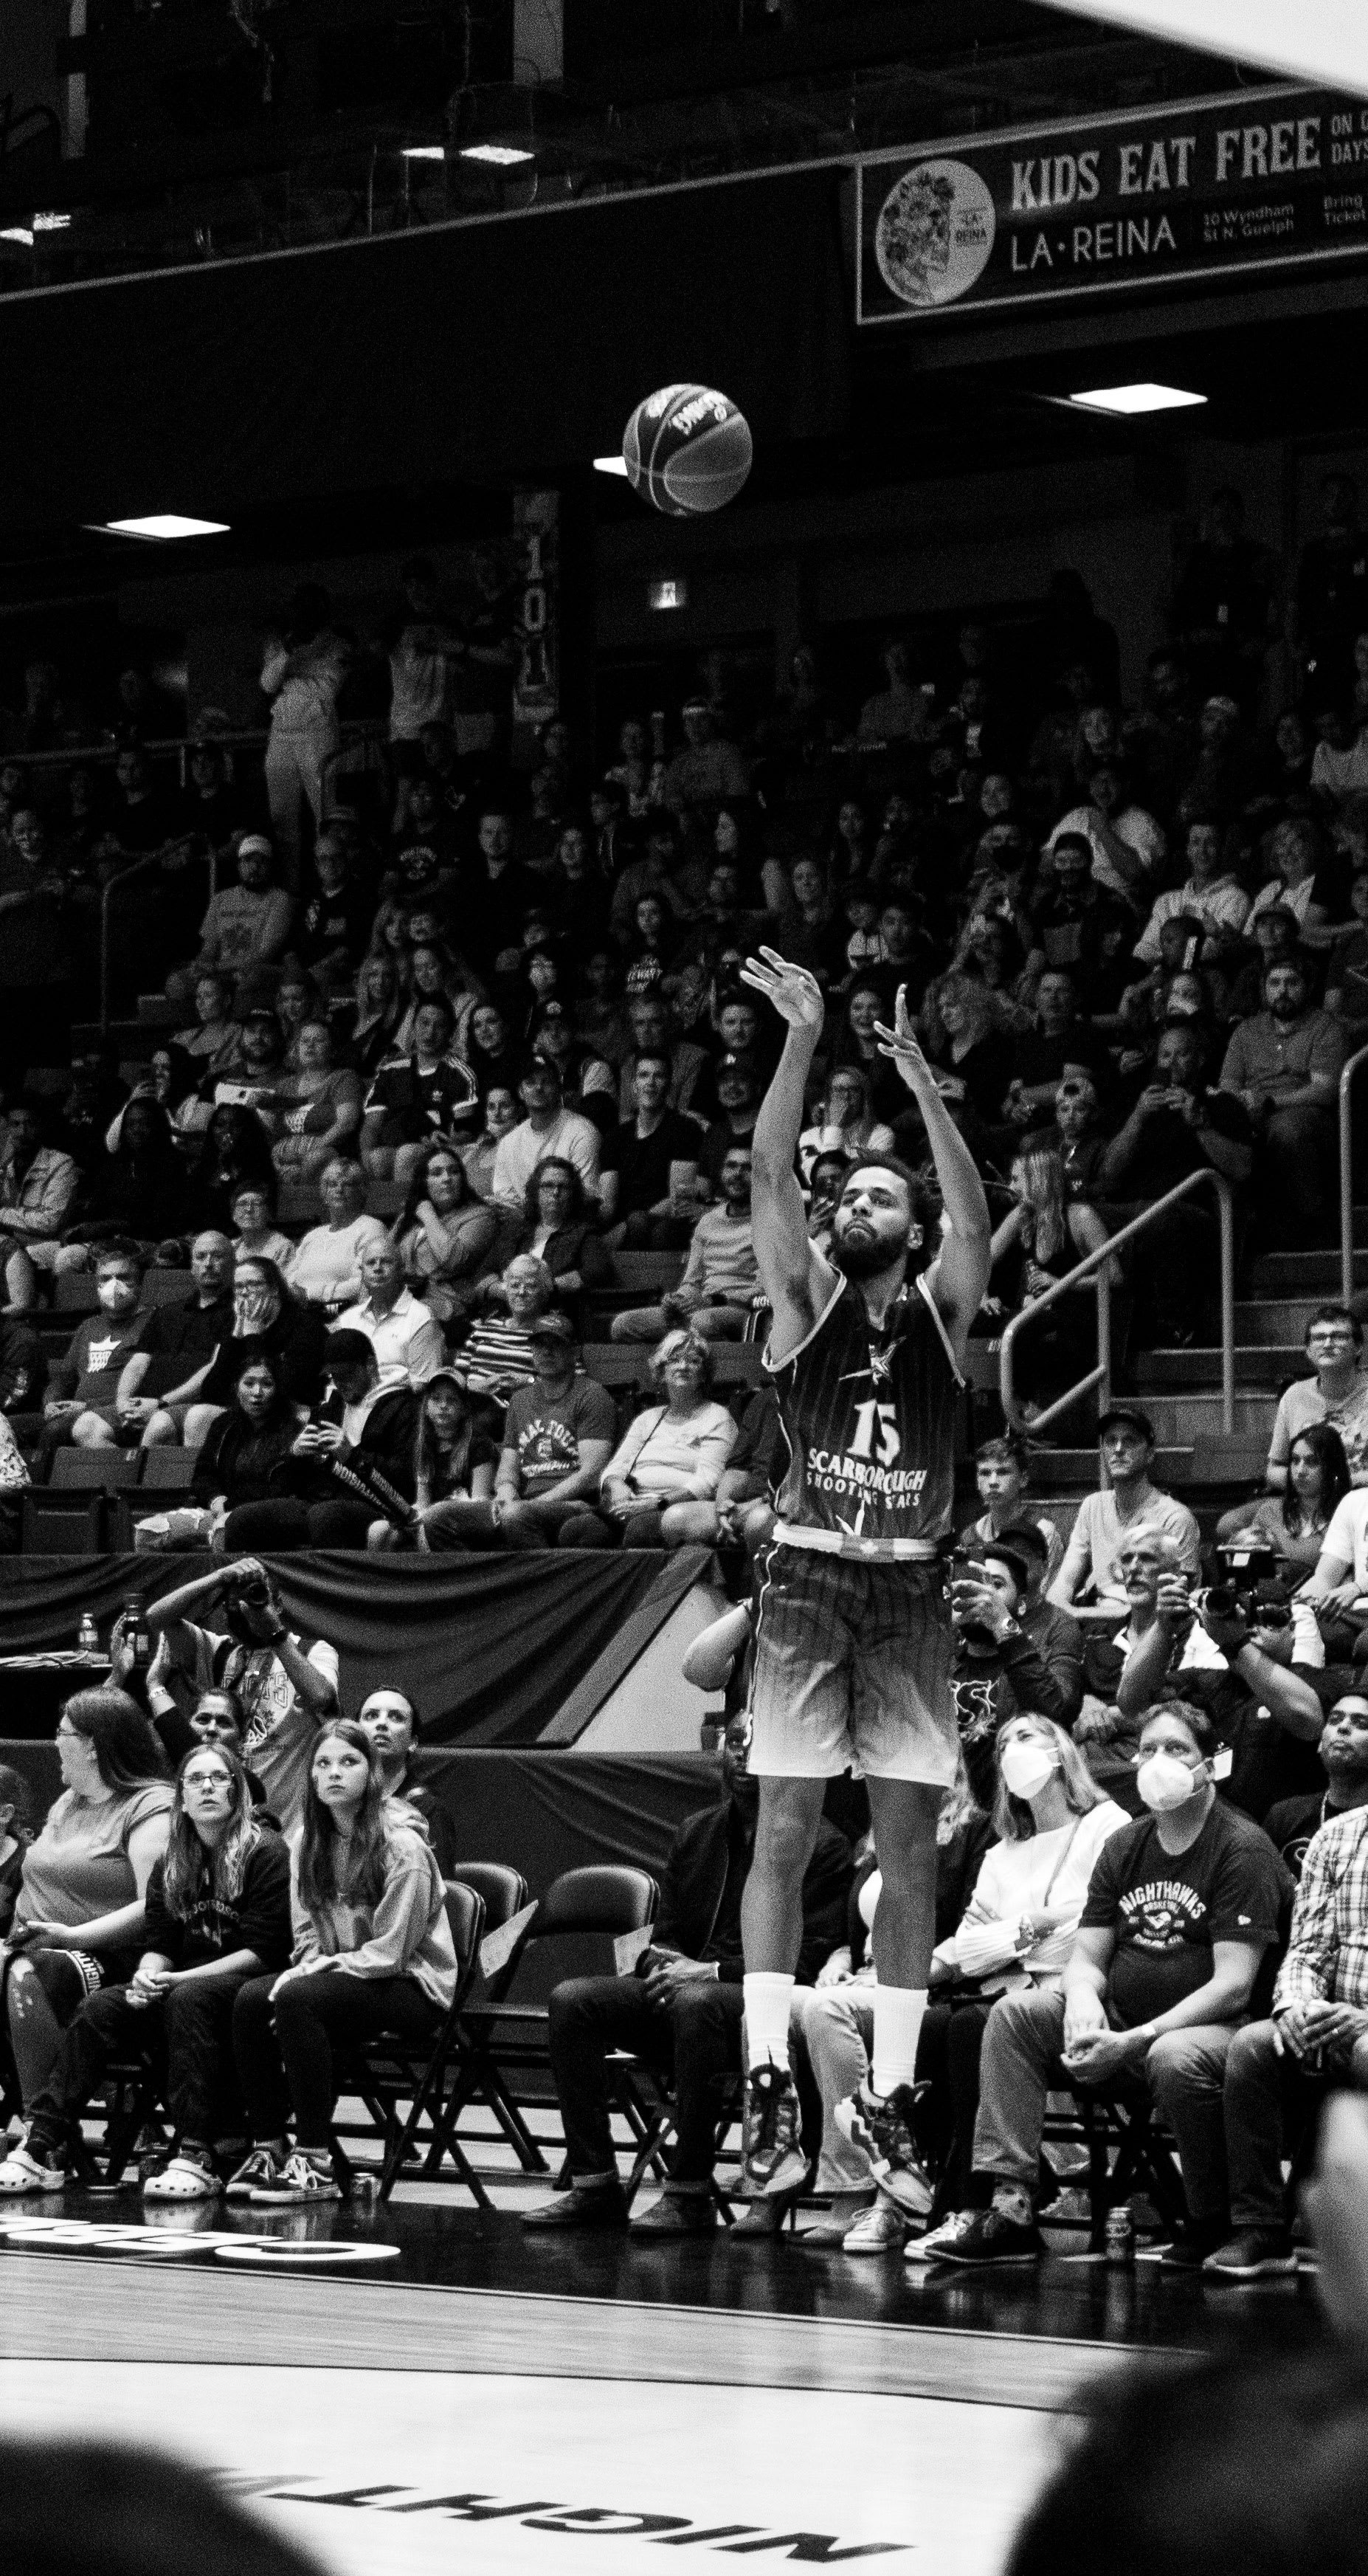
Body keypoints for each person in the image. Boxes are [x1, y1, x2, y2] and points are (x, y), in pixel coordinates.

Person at [728, 945, 991, 2211]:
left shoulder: (943, 1310)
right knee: (782, 1832)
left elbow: (977, 1221)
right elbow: (772, 1170)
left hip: (911, 1594)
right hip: (805, 1582)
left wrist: (924, 1096)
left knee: (907, 1854)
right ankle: (766, 2071)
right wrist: (801, 1038)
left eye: (883, 1195)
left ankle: (885, 2095)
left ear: (912, 1226)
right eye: (853, 1193)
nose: (857, 1204)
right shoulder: (796, 1303)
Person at [927, 1701, 1290, 2269]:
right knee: (1016, 2015)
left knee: (1174, 2055)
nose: (1156, 1762)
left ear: (1211, 1763)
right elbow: (1088, 1956)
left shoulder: (1240, 1847)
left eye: (1176, 1750)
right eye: (1146, 1749)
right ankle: (1013, 2206)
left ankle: (1211, 2218)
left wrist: (1137, 2037)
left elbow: (1234, 1986)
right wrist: (1082, 2000)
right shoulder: (1127, 1845)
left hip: (1212, 2030)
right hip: (1123, 2023)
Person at [523, 1718, 851, 2235]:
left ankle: (690, 2191)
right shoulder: (697, 1831)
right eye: (735, 1744)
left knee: (698, 2002)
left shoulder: (824, 1845)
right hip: (685, 1993)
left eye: (758, 1744)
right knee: (573, 2000)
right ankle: (594, 2184)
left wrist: (713, 1970)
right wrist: (661, 1961)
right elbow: (669, 1930)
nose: (743, 1757)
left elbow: (810, 1957)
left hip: (758, 2001)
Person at [0, 1743, 292, 2200]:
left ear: (238, 1792)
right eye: (196, 1780)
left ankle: (195, 2154)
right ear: (182, 1796)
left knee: (187, 1999)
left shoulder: (265, 1851)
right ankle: (41, 2147)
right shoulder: (174, 1859)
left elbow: (265, 1950)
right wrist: (146, 1976)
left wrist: (176, 1982)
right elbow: (160, 1943)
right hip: (180, 1983)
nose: (208, 1787)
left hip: (244, 1985)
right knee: (101, 2007)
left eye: (219, 1778)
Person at [899, 1717, 1131, 2261]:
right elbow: (967, 1946)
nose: (1012, 1748)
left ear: (1062, 1750)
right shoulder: (1002, 1853)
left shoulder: (1108, 1824)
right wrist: (1032, 1929)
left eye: (1027, 1736)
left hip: (1074, 1998)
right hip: (1001, 1996)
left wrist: (1006, 1941)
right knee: (936, 2028)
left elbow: (1090, 1929)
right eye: (1003, 1743)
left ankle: (993, 2206)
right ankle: (946, 2199)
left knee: (972, 2026)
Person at [227, 1721, 457, 2204]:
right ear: (310, 1778)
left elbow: (391, 1951)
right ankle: (268, 2146)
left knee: (298, 1997)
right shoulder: (307, 1841)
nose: (335, 1773)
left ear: (371, 1773)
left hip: (413, 1985)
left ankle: (315, 2161)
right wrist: (309, 1963)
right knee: (250, 1998)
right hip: (342, 1978)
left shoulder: (404, 1847)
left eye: (349, 1762)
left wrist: (316, 1972)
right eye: (323, 1763)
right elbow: (307, 1929)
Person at [1192, 1701, 1368, 2279]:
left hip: (1363, 2029)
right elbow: (1307, 1948)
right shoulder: (1334, 1838)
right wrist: (1295, 2006)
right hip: (1321, 2019)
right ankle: (1260, 2229)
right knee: (1252, 2047)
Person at [0, 1690, 173, 2123]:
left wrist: (72, 1936)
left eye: (62, 1734)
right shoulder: (68, 1801)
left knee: (27, 1975)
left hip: (109, 1954)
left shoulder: (152, 1805)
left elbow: (154, 1905)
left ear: (92, 1746)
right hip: (34, 1944)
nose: (55, 1742)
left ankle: (42, 2135)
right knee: (16, 1967)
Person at [1116, 1549, 1327, 1822]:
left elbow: (1308, 1720)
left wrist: (1236, 1644)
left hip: (1285, 1838)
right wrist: (1163, 1626)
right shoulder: (1205, 1682)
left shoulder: (1315, 1681)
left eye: (1270, 1620)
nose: (1252, 1627)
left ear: (1294, 1630)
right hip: (1209, 1830)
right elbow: (1131, 1702)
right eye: (1243, 1618)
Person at [145, 1557, 339, 1836]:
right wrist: (219, 1577)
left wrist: (274, 1633)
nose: (245, 1611)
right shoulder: (219, 1652)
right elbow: (156, 1617)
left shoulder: (313, 1652)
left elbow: (321, 1697)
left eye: (256, 1599)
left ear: (279, 1605)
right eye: (235, 1605)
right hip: (227, 1825)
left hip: (293, 1827)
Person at [1096, 1019, 1254, 1348]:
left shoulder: (1221, 1105)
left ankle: (1176, 1326)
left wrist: (1202, 1127)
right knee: (1078, 1212)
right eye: (1165, 1056)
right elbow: (1108, 1175)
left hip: (1194, 1212)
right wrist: (1137, 1119)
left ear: (1199, 1060)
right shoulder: (1138, 1107)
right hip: (1133, 1210)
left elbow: (1243, 1169)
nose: (1172, 1064)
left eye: (1182, 1055)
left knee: (1162, 1216)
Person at [558, 1328, 737, 1549]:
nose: (682, 1366)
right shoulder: (648, 1418)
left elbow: (709, 1482)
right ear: (661, 1371)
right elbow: (615, 1468)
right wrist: (616, 1486)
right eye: (674, 1360)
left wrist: (655, 1504)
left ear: (703, 1374)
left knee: (641, 1529)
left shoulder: (717, 1416)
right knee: (577, 1530)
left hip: (677, 1508)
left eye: (693, 1361)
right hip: (631, 1502)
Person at [947, 1542, 1085, 1808]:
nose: (982, 1595)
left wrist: (1002, 1625)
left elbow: (1058, 1712)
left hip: (1015, 1813)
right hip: (944, 1816)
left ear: (1021, 1605)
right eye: (973, 1584)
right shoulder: (940, 1660)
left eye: (996, 1585)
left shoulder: (1036, 1661)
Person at [1220, 955, 1347, 1242]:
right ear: (1264, 989)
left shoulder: (1325, 1026)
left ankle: (1312, 1221)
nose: (1282, 990)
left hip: (1308, 1113)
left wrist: (1271, 1103)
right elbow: (1228, 1083)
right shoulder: (1247, 1030)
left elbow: (1325, 1089)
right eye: (1274, 983)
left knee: (1286, 1129)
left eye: (1292, 982)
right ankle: (1240, 1233)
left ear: (1307, 987)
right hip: (1251, 1109)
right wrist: (1241, 1104)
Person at [986, 1148, 1113, 1416]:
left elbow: (1114, 1275)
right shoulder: (1025, 1216)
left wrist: (1060, 1283)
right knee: (989, 1319)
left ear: (1039, 1180)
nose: (1011, 1187)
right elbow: (986, 1257)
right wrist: (983, 1296)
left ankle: (1027, 1410)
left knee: (1021, 1327)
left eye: (1017, 1179)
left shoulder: (1080, 1216)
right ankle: (1006, 1409)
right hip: (1040, 1314)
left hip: (1077, 1315)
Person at [1049, 1405, 1201, 1608]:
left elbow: (1174, 1598)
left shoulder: (1175, 1518)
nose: (1118, 1449)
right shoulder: (1093, 1505)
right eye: (1111, 1441)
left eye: (1130, 1441)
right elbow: (1065, 1583)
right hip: (1093, 1619)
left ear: (1149, 1454)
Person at [610, 1146, 759, 1344]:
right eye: (731, 1166)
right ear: (722, 1173)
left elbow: (766, 1288)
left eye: (747, 1168)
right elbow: (692, 1281)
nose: (738, 1174)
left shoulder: (769, 1223)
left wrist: (712, 1301)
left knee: (702, 1322)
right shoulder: (708, 1222)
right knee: (623, 1325)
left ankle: (722, 1363)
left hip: (743, 1310)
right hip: (701, 1307)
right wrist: (678, 1299)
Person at [493, 1312, 618, 1548]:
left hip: (576, 1504)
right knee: (440, 1517)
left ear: (575, 1352)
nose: (546, 1352)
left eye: (555, 1345)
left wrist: (535, 1504)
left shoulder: (592, 1395)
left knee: (515, 1517)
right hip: (521, 1504)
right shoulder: (519, 1400)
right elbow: (508, 1467)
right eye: (539, 1345)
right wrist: (506, 1492)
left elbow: (591, 1474)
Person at [112, 1230, 236, 1451]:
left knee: (158, 1427)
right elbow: (139, 1362)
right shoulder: (167, 1311)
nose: (208, 1263)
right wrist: (123, 1402)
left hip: (189, 1405)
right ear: (191, 1265)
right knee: (87, 1427)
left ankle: (148, 1483)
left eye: (217, 1256)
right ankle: (120, 1482)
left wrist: (162, 1403)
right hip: (145, 1402)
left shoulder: (237, 1312)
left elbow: (215, 1366)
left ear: (233, 1263)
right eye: (200, 1257)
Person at [32, 1242, 150, 1468]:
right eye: (105, 1279)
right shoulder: (89, 1325)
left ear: (140, 1284)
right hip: (73, 1411)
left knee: (56, 1430)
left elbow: (147, 1385)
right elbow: (64, 1377)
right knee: (12, 1426)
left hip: (117, 1413)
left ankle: (36, 1497)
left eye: (123, 1277)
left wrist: (87, 1407)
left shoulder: (152, 1323)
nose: (113, 1285)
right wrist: (51, 1404)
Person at [359, 996, 480, 1188]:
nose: (429, 1033)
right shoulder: (390, 1070)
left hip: (439, 1151)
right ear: (413, 1026)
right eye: (424, 1023)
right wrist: (365, 1154)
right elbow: (372, 1126)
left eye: (439, 1026)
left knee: (406, 1154)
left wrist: (448, 1140)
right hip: (394, 1145)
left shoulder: (459, 1072)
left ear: (451, 1033)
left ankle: (408, 1215)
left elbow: (466, 1130)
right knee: (376, 1158)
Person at [167, 833, 294, 1015]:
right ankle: (196, 1035)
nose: (254, 867)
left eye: (261, 862)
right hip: (219, 971)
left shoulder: (280, 899)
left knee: (247, 978)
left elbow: (264, 953)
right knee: (177, 982)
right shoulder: (221, 899)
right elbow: (209, 949)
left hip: (253, 970)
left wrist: (215, 968)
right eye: (248, 861)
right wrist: (201, 964)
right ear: (239, 866)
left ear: (271, 866)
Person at [1218, 1424, 1353, 1574]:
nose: (1300, 1471)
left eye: (1312, 1462)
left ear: (1332, 1468)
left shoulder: (1347, 1518)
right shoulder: (1270, 1511)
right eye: (1295, 1461)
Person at [392, 1139, 499, 1326]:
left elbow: (454, 1261)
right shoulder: (408, 1217)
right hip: (401, 1301)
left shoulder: (480, 1216)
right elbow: (385, 1254)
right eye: (436, 1173)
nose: (447, 1178)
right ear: (424, 1181)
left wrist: (428, 1216)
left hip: (448, 1310)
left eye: (454, 1171)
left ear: (462, 1179)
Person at [1263, 1691, 1368, 1881]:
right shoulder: (1284, 1816)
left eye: (1361, 1723)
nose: (1343, 1727)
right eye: (1334, 1720)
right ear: (1320, 1743)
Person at [354, 1687, 456, 1875]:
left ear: (412, 1742)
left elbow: (439, 1891)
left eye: (396, 1717)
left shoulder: (427, 1808)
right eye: (371, 1716)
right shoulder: (344, 1801)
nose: (382, 1724)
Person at [1266, 1310, 1368, 1492]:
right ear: (1308, 1351)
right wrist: (1316, 1484)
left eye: (1339, 1336)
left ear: (1359, 1347)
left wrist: (1343, 1483)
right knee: (1232, 1522)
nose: (1328, 1344)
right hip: (1308, 1500)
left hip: (1362, 1500)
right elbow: (1274, 1470)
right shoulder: (1294, 1395)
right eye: (1319, 1338)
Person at [489, 1053, 602, 1213]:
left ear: (559, 1088)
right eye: (530, 1082)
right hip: (520, 1228)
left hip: (567, 1226)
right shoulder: (508, 1143)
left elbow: (587, 1197)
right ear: (520, 1092)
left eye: (546, 1082)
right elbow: (504, 1202)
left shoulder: (582, 1132)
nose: (539, 1088)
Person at [335, 1235, 443, 1392]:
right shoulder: (347, 1320)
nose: (377, 1268)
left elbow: (423, 1386)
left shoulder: (421, 1318)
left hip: (396, 1409)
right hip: (352, 1405)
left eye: (386, 1262)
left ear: (401, 1270)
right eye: (371, 1263)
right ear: (362, 1271)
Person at [958, 1433, 1063, 1588]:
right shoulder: (970, 1536)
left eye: (1003, 1472)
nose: (993, 1482)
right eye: (985, 1473)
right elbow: (969, 1594)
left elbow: (1041, 1598)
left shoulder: (1042, 1531)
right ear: (977, 1482)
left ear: (1023, 1479)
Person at [289, 1157, 388, 1313]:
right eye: (332, 1184)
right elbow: (290, 1276)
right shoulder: (313, 1236)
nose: (339, 1189)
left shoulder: (370, 1228)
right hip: (298, 1311)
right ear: (325, 1194)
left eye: (347, 1184)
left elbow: (365, 1282)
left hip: (341, 1313)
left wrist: (310, 1294)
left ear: (361, 1191)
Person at [270, 1018, 363, 1182]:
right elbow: (271, 1129)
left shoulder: (343, 1078)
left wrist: (304, 1153)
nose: (310, 1045)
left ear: (333, 1050)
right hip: (284, 1156)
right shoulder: (284, 1085)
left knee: (316, 1159)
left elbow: (346, 1123)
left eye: (319, 1040)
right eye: (305, 1041)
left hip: (328, 1153)